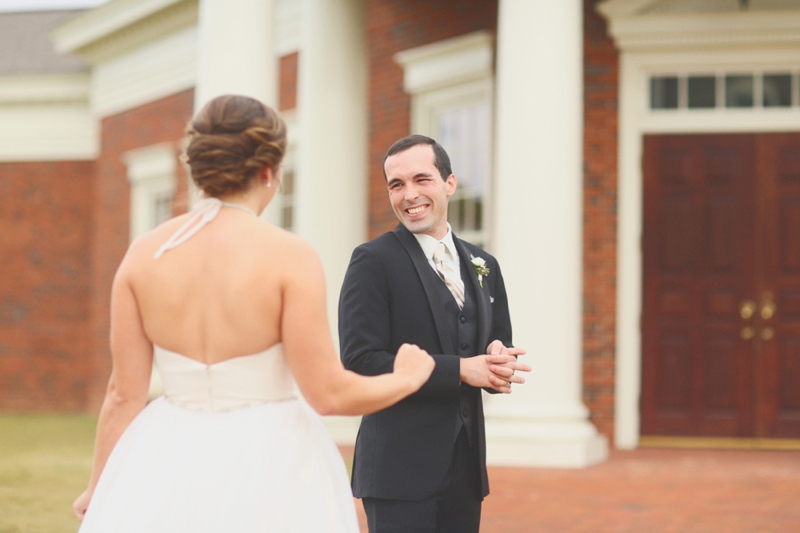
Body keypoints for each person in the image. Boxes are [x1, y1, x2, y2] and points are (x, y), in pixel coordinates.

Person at [72, 95, 435, 533]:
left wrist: (100, 486)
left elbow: (121, 395)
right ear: (269, 170)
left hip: (165, 454)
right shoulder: (289, 256)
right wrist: (407, 377)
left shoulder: (142, 255)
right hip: (272, 458)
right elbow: (328, 393)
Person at [338, 134, 531, 533]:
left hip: (465, 470)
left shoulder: (484, 264)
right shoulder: (372, 261)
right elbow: (359, 362)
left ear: (449, 183)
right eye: (397, 184)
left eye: (421, 180)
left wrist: (498, 362)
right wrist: (461, 369)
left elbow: (497, 346)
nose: (409, 195)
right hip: (397, 471)